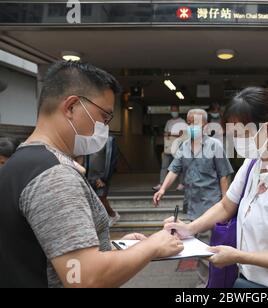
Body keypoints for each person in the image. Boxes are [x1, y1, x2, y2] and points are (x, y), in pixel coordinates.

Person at [0, 61, 183, 288]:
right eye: (104, 116)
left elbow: (44, 251)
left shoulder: (21, 161)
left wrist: (111, 247)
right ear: (71, 107)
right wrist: (152, 246)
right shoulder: (55, 176)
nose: (105, 127)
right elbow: (85, 278)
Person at [164, 87, 268, 288]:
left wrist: (239, 257)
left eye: (241, 135)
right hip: (247, 282)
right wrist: (189, 229)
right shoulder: (253, 163)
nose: (236, 142)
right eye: (233, 135)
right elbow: (227, 206)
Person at [153, 109, 234, 221]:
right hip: (191, 202)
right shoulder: (184, 146)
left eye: (195, 123)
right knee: (194, 236)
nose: (191, 126)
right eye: (189, 123)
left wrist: (225, 204)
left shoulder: (215, 145)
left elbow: (223, 176)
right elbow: (174, 170)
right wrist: (162, 190)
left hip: (210, 203)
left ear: (205, 126)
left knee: (208, 237)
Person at [86, 135, 120, 226]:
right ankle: (98, 219)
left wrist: (104, 178)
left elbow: (112, 161)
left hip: (101, 176)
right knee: (90, 199)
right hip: (88, 175)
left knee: (101, 198)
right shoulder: (87, 138)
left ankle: (112, 215)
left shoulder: (109, 140)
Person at [153, 105, 187, 192]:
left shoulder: (182, 122)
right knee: (164, 166)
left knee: (179, 166)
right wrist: (167, 134)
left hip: (178, 148)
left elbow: (184, 134)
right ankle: (161, 184)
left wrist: (171, 133)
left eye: (175, 110)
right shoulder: (169, 122)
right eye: (172, 110)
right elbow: (166, 132)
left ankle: (181, 184)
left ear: (178, 110)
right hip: (168, 148)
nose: (174, 112)